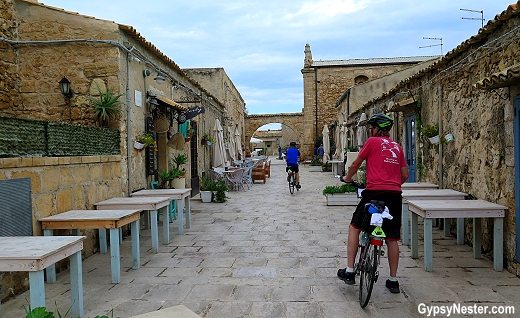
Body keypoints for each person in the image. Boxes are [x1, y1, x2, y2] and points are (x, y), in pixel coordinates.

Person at [337, 113, 409, 294]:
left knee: (355, 227)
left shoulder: (372, 142)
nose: (370, 132)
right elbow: (405, 175)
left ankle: (350, 271)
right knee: (392, 237)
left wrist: (347, 178)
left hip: (374, 192)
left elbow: (355, 164)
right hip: (394, 195)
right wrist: (393, 184)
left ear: (377, 129)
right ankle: (393, 280)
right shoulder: (398, 147)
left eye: (371, 129)